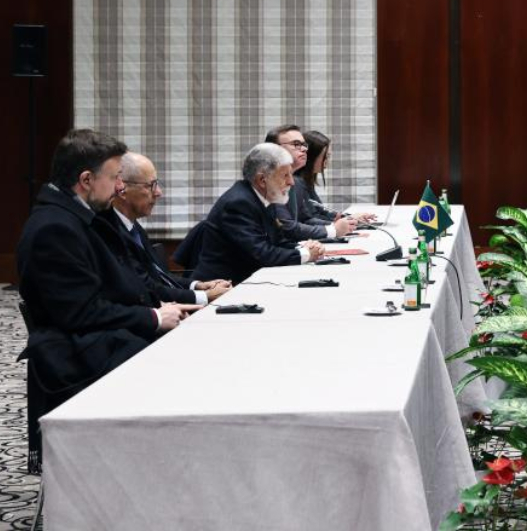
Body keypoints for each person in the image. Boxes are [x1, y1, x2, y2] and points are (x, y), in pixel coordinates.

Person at [16, 130, 196, 408]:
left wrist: (160, 306)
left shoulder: (78, 217)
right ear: (86, 180)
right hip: (78, 355)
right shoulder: (55, 228)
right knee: (187, 365)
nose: (118, 188)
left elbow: (119, 283)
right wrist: (153, 317)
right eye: (114, 178)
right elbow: (80, 313)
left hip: (101, 336)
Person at [98, 152, 232, 305]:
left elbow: (160, 275)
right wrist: (204, 297)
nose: (158, 192)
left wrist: (198, 285)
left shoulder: (133, 226)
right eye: (151, 185)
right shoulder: (110, 232)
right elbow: (146, 286)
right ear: (122, 188)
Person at [192, 143, 324, 283]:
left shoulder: (266, 196)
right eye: (285, 175)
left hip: (251, 279)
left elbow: (279, 242)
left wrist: (303, 246)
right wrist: (305, 254)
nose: (291, 182)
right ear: (262, 180)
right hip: (222, 287)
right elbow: (261, 254)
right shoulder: (238, 203)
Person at [265, 124, 354, 240]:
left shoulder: (295, 182)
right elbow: (286, 228)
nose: (304, 149)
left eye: (304, 145)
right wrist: (333, 229)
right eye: (296, 144)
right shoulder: (267, 182)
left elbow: (305, 218)